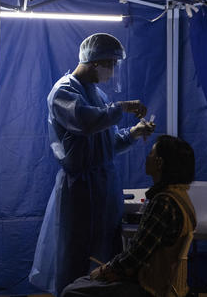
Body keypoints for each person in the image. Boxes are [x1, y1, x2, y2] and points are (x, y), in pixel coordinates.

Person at [29, 33, 156, 296]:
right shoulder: (64, 91)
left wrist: (133, 133)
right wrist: (123, 106)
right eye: (110, 64)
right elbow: (87, 122)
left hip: (103, 186)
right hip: (79, 189)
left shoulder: (94, 93)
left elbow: (106, 143)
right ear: (95, 61)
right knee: (76, 253)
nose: (112, 71)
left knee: (106, 253)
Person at [61, 135, 197, 297]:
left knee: (71, 291)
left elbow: (135, 255)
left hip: (151, 289)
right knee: (81, 283)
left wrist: (106, 269)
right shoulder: (181, 196)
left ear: (160, 163)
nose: (147, 158)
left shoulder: (164, 203)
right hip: (167, 284)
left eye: (151, 154)